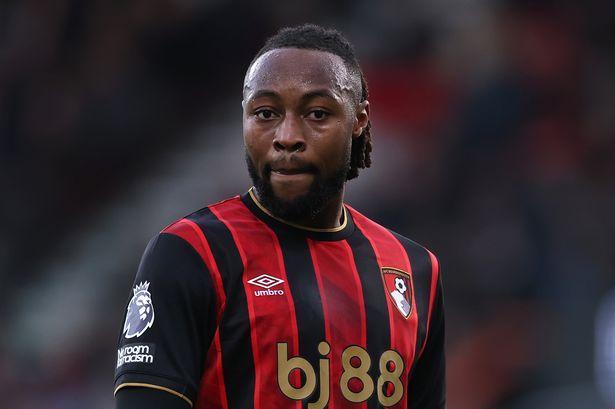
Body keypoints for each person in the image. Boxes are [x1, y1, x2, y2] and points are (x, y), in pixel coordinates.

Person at [114, 24, 445, 409]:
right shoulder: (190, 252)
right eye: (266, 113)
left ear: (359, 120)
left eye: (317, 113)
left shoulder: (415, 270)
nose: (287, 136)